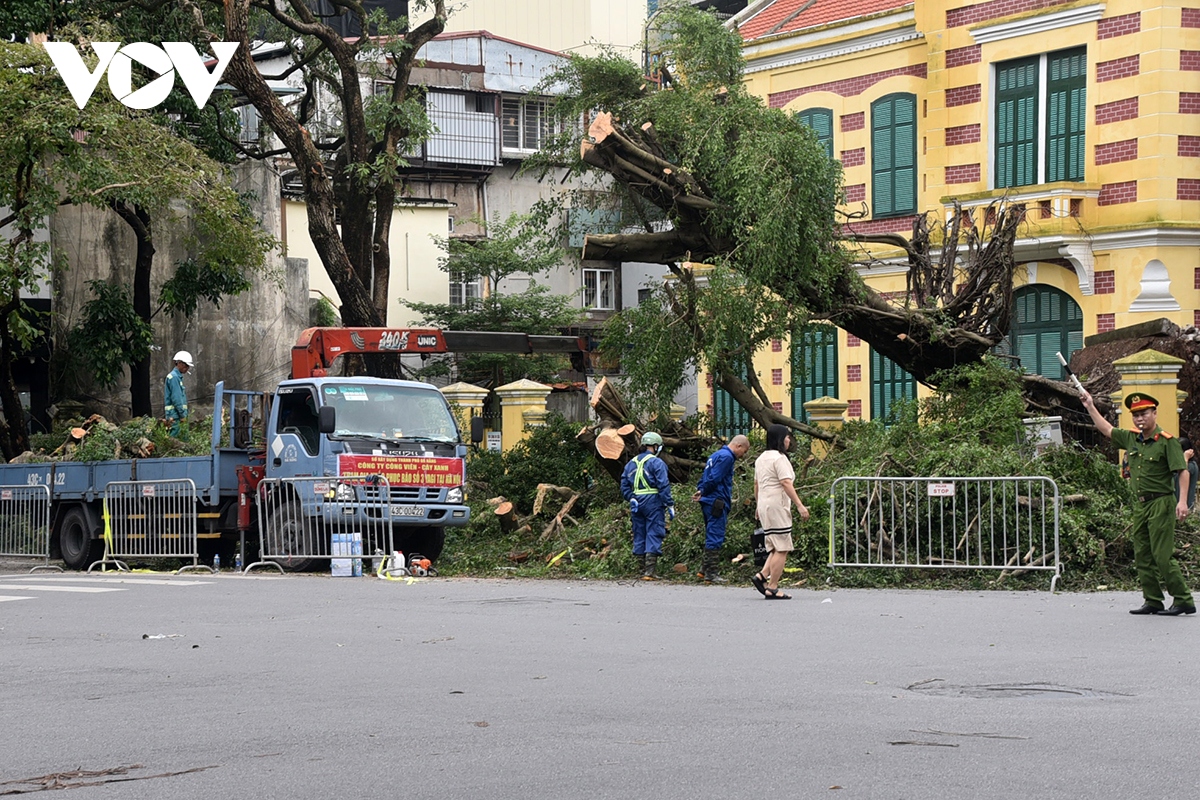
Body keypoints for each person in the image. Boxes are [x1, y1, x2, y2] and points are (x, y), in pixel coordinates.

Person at [1080, 390, 1195, 616]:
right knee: (1142, 554)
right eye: (1135, 415)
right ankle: (1152, 600)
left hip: (1161, 503)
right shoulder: (1132, 438)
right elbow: (1107, 429)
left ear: (1155, 413)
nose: (1139, 418)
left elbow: (1182, 472)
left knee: (1162, 556)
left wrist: (1182, 502)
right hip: (1141, 505)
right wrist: (1090, 406)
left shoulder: (1167, 442)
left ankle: (1183, 599)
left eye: (1144, 413)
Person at [751, 424, 809, 600]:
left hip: (765, 503)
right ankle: (773, 586)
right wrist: (799, 505)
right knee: (782, 546)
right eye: (786, 437)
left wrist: (757, 504)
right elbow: (785, 482)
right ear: (779, 439)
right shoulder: (779, 458)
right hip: (777, 504)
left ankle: (762, 575)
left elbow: (757, 484)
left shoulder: (761, 458)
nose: (788, 440)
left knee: (775, 545)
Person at [692, 434, 750, 584]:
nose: (742, 456)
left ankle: (703, 570)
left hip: (707, 501)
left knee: (711, 532)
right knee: (715, 535)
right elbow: (715, 478)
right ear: (738, 446)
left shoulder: (715, 455)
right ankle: (711, 574)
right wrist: (703, 490)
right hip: (716, 501)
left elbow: (705, 476)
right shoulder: (727, 457)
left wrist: (700, 489)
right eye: (743, 452)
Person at [620, 431, 675, 581]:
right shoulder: (657, 463)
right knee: (654, 531)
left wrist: (631, 497)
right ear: (656, 446)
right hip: (653, 500)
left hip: (636, 501)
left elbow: (624, 485)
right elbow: (663, 485)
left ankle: (640, 569)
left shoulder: (631, 463)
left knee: (639, 532)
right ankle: (649, 572)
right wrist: (669, 503)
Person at [164, 351, 194, 437]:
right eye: (186, 365)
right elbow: (176, 399)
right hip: (176, 417)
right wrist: (182, 415)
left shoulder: (176, 377)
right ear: (179, 363)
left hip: (176, 416)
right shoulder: (174, 378)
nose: (187, 368)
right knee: (177, 442)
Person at [1175, 436, 1198, 511]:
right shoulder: (1175, 465)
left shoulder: (1191, 465)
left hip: (1184, 507)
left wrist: (1185, 458)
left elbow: (1183, 471)